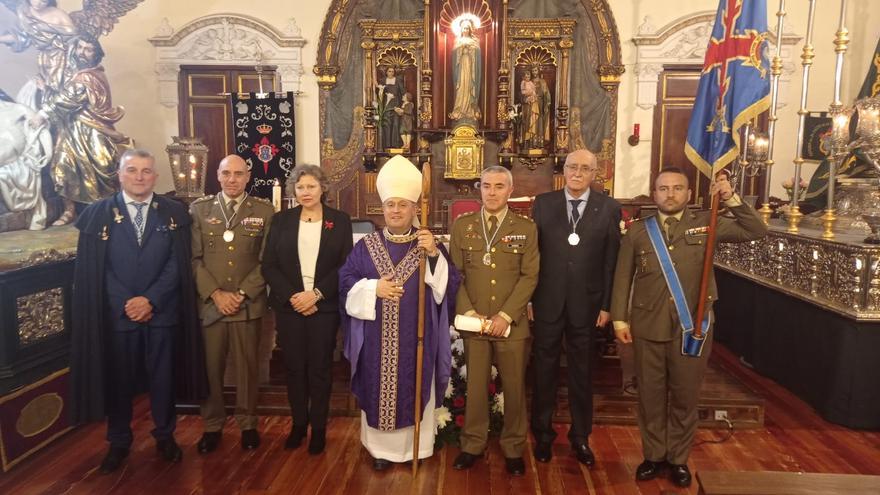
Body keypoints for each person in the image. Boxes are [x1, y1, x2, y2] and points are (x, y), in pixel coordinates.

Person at [610, 168, 767, 487]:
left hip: (692, 327)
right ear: (653, 194)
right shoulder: (640, 231)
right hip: (648, 324)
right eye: (663, 188)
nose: (670, 194)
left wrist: (730, 197)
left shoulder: (707, 223)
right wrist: (619, 319)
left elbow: (755, 229)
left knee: (684, 396)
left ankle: (678, 459)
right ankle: (653, 456)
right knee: (650, 397)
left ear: (688, 193)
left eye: (677, 188)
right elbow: (622, 277)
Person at [68, 148, 204, 474]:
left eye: (146, 171)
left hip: (163, 313)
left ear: (155, 176)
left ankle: (165, 435)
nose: (139, 177)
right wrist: (127, 303)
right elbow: (98, 271)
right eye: (132, 170)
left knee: (163, 379)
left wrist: (151, 300)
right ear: (120, 174)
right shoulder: (99, 214)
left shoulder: (172, 212)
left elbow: (178, 265)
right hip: (119, 316)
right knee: (119, 381)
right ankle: (118, 441)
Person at [339, 155, 459, 470]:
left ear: (414, 209)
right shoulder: (365, 246)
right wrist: (372, 289)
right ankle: (381, 452)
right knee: (378, 387)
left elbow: (448, 287)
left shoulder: (427, 245)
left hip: (416, 340)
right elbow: (345, 282)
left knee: (413, 384)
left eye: (402, 205)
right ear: (383, 208)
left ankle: (414, 450)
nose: (395, 210)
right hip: (375, 339)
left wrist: (434, 255)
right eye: (390, 204)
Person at [530, 149, 621, 466]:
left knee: (583, 373)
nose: (577, 173)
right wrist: (529, 298)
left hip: (588, 304)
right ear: (563, 170)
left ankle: (580, 438)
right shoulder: (543, 204)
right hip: (546, 302)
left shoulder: (609, 208)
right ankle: (542, 435)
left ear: (595, 173)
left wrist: (608, 304)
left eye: (585, 168)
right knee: (544, 372)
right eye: (572, 167)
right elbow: (532, 257)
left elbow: (611, 262)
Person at [449, 165, 539, 476]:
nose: (492, 192)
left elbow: (530, 276)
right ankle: (472, 443)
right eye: (486, 186)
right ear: (480, 189)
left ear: (510, 191)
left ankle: (513, 447)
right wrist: (470, 312)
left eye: (499, 186)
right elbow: (454, 275)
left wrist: (505, 315)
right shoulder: (464, 226)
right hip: (474, 322)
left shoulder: (526, 228)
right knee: (475, 387)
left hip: (510, 324)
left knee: (514, 388)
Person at [261, 164, 353, 454]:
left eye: (311, 186)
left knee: (320, 369)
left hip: (323, 308)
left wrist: (315, 294)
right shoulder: (281, 221)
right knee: (294, 368)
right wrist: (294, 297)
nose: (305, 192)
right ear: (293, 190)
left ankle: (319, 428)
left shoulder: (339, 220)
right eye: (300, 187)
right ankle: (299, 424)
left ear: (322, 188)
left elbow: (345, 265)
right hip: (290, 308)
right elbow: (269, 265)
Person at [190, 154, 274, 454]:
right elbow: (194, 259)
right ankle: (212, 426)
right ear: (218, 175)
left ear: (248, 176)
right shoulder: (199, 210)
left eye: (239, 174)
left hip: (246, 305)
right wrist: (215, 294)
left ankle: (248, 423)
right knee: (211, 368)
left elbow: (267, 260)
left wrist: (240, 294)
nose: (232, 179)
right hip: (211, 306)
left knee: (247, 369)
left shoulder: (264, 211)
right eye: (227, 173)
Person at [30, 34, 132, 226]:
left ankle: (105, 214)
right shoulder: (79, 75)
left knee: (102, 168)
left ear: (96, 54)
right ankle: (70, 211)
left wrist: (43, 113)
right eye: (80, 48)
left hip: (93, 131)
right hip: (71, 132)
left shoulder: (88, 76)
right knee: (63, 168)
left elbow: (69, 99)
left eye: (88, 49)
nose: (82, 53)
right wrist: (46, 90)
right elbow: (65, 97)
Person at [0, 0, 78, 108]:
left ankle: (54, 116)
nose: (37, 3)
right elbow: (22, 37)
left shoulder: (59, 16)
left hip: (62, 59)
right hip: (44, 59)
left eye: (43, 1)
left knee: (58, 90)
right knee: (42, 90)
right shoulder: (25, 12)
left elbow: (75, 42)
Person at [449, 18, 481, 124]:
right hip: (461, 68)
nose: (465, 30)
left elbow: (478, 54)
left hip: (471, 69)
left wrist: (471, 49)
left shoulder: (474, 41)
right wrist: (461, 49)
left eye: (467, 28)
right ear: (461, 29)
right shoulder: (458, 41)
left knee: (469, 87)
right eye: (464, 28)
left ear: (470, 29)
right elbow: (454, 54)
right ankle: (459, 110)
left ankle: (470, 111)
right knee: (461, 88)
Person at [377, 66, 405, 151]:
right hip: (386, 106)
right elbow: (378, 92)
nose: (391, 73)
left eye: (392, 71)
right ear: (386, 72)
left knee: (396, 124)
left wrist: (403, 105)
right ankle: (387, 145)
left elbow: (403, 92)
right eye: (389, 71)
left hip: (396, 105)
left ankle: (395, 144)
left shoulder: (398, 80)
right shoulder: (382, 80)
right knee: (387, 125)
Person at [530, 65, 551, 147]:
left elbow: (547, 94)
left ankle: (539, 142)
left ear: (538, 71)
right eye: (533, 71)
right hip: (531, 104)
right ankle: (531, 142)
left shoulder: (543, 82)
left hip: (540, 103)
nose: (534, 72)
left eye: (535, 70)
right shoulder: (529, 81)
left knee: (539, 122)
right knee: (532, 121)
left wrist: (547, 104)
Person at [519, 70, 539, 149]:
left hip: (533, 104)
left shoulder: (531, 83)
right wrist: (529, 95)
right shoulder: (523, 83)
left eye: (529, 76)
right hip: (527, 106)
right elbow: (523, 92)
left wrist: (533, 95)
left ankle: (533, 142)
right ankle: (526, 142)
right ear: (523, 77)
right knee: (527, 122)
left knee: (533, 121)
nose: (528, 78)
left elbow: (534, 91)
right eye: (526, 76)